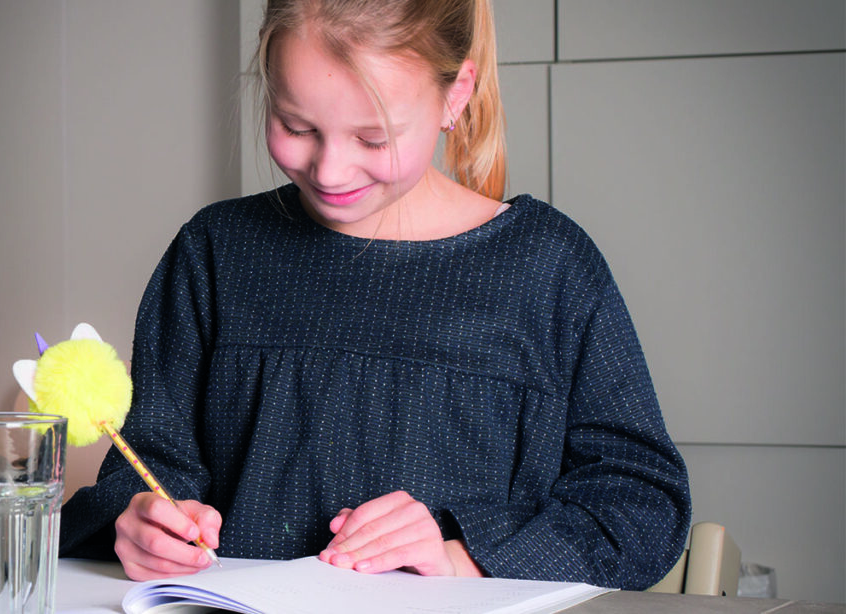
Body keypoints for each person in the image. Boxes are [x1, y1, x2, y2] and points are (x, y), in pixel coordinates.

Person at [59, 0, 691, 590]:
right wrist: (141, 522)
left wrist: (461, 555)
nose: (330, 172)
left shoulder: (549, 268)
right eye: (295, 125)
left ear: (455, 95)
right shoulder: (214, 254)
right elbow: (143, 465)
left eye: (373, 138)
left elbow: (641, 506)